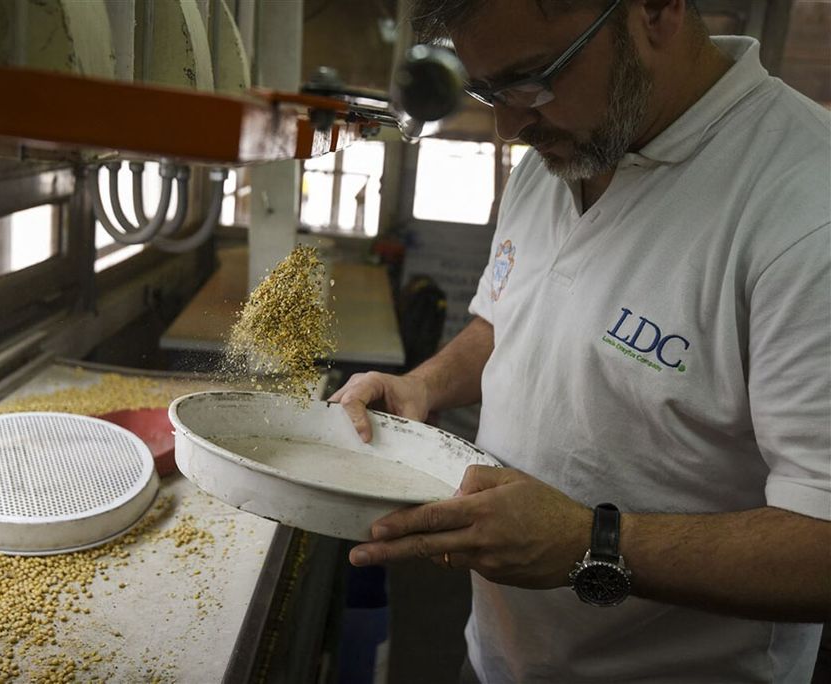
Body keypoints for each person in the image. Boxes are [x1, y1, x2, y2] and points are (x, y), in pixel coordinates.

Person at [329, 0, 831, 681]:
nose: (508, 126)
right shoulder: (558, 155)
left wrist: (588, 545)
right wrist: (424, 384)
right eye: (488, 92)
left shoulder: (805, 202)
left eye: (535, 76)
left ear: (655, 11)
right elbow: (507, 321)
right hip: (500, 657)